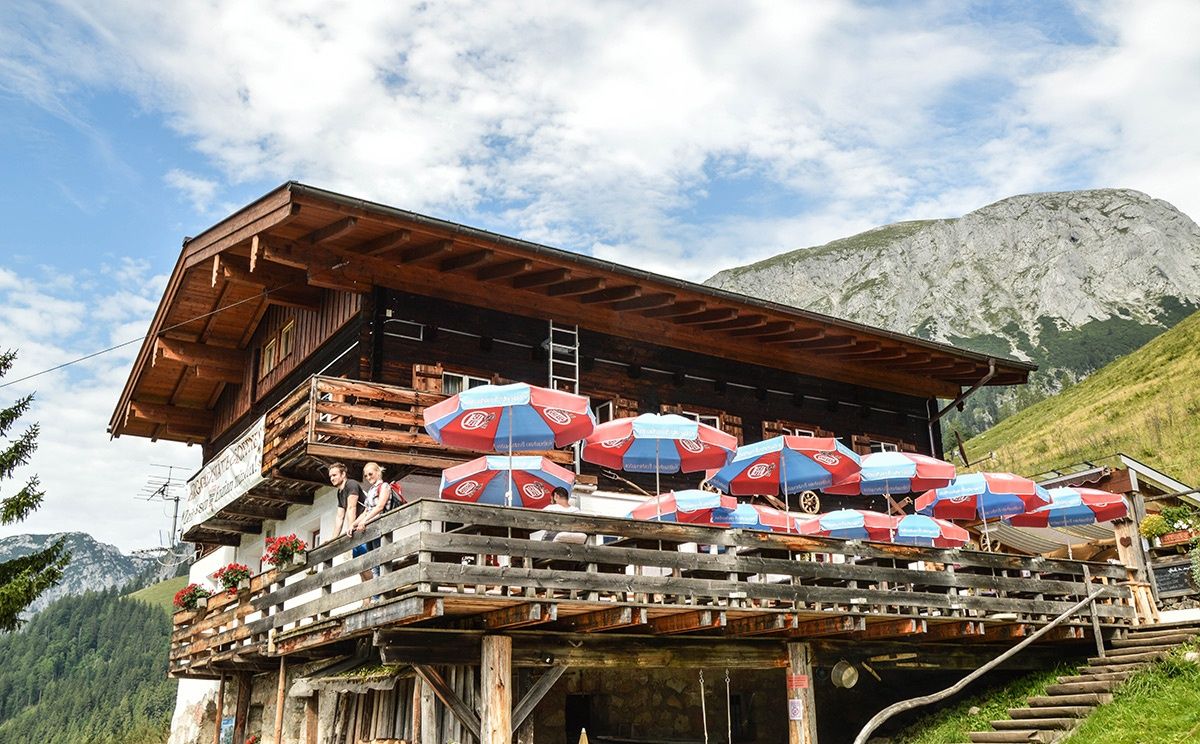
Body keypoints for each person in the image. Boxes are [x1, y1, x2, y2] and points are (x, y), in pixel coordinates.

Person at [330, 462, 367, 540]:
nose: (332, 479)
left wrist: (351, 527)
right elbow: (340, 517)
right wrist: (333, 539)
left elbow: (351, 508)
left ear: (343, 474)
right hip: (357, 525)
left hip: (366, 521)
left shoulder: (351, 484)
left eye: (334, 475)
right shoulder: (340, 492)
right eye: (330, 476)